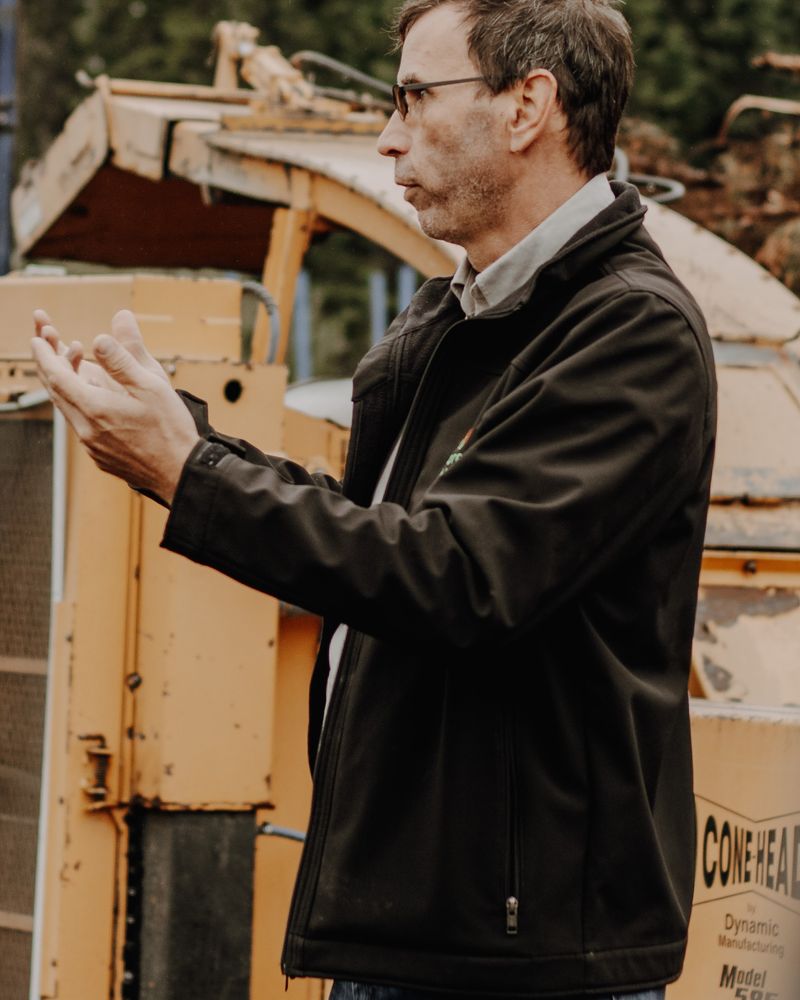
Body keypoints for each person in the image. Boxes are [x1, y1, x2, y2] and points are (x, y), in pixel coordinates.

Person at [32, 1, 716, 998]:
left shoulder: (628, 333)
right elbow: (388, 537)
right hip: (422, 926)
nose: (389, 137)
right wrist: (185, 441)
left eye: (414, 97)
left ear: (527, 106)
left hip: (523, 961)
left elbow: (455, 574)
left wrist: (189, 474)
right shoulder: (462, 315)